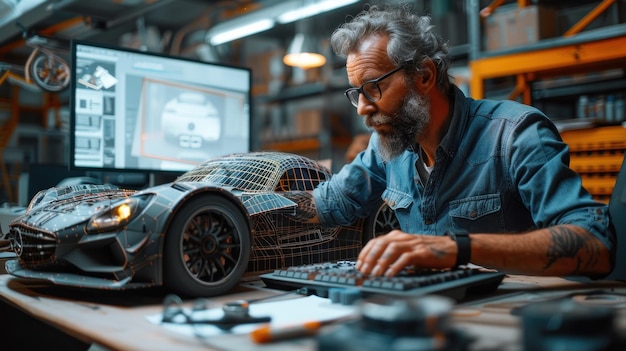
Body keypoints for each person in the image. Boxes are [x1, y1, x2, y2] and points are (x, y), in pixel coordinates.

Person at [292, 3, 615, 279]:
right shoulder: (388, 147)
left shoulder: (515, 134)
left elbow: (595, 244)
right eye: (357, 93)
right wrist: (247, 202)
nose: (363, 107)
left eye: (374, 87)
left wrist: (455, 248)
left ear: (424, 76)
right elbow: (327, 204)